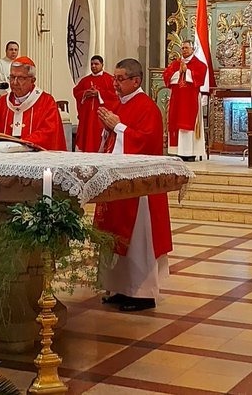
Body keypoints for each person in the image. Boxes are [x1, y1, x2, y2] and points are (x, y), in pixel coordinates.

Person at [94, 58, 172, 312]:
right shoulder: (120, 104)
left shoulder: (147, 107)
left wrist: (117, 126)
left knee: (138, 241)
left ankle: (142, 293)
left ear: (135, 81)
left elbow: (146, 142)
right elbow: (112, 138)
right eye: (114, 78)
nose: (114, 84)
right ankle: (120, 288)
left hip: (139, 191)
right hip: (117, 185)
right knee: (114, 236)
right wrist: (108, 129)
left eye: (119, 79)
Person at [0, 56, 67, 151]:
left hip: (35, 159)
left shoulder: (46, 102)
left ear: (32, 80)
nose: (14, 82)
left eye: (20, 78)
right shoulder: (2, 103)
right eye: (12, 77)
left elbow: (49, 132)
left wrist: (22, 143)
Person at [162, 40, 207, 161]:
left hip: (190, 99)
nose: (184, 50)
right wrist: (179, 72)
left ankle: (190, 152)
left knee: (188, 123)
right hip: (177, 98)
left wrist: (187, 71)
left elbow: (200, 78)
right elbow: (166, 77)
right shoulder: (175, 64)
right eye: (182, 48)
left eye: (186, 48)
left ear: (193, 49)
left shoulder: (199, 64)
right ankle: (178, 151)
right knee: (176, 122)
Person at [72, 55, 118, 152]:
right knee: (86, 136)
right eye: (92, 64)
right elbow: (76, 92)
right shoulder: (85, 80)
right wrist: (85, 93)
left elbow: (115, 96)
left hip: (100, 119)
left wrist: (99, 93)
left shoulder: (110, 79)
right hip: (87, 117)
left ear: (102, 65)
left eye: (96, 64)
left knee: (97, 138)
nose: (93, 66)